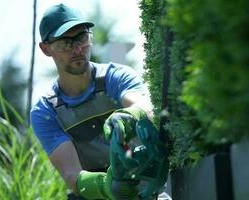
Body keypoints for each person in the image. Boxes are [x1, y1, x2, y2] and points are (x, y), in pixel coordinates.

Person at [30, 4, 168, 200]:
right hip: (97, 194)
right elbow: (72, 176)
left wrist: (129, 116)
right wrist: (109, 187)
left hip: (147, 188)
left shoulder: (116, 77)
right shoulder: (46, 111)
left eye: (81, 38)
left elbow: (145, 106)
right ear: (46, 49)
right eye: (66, 43)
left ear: (90, 38)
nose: (77, 49)